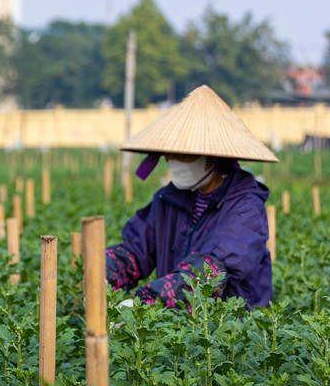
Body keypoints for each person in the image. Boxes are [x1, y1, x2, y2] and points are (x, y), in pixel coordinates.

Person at [106, 84, 278, 309]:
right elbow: (135, 250)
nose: (171, 160)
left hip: (233, 333)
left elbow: (211, 271)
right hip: (178, 328)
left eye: (183, 154)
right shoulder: (168, 200)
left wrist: (144, 302)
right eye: (169, 152)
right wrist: (103, 276)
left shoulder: (245, 206)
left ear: (212, 157)